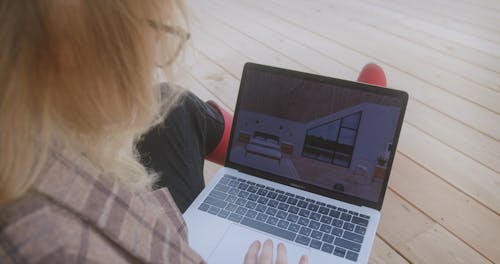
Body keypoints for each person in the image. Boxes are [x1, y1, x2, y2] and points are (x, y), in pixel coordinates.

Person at [0, 1, 385, 263]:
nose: (154, 59)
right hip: (178, 244)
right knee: (168, 105)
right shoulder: (53, 244)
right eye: (154, 31)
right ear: (70, 50)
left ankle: (280, 157)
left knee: (170, 103)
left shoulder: (31, 135)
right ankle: (348, 145)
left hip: (158, 224)